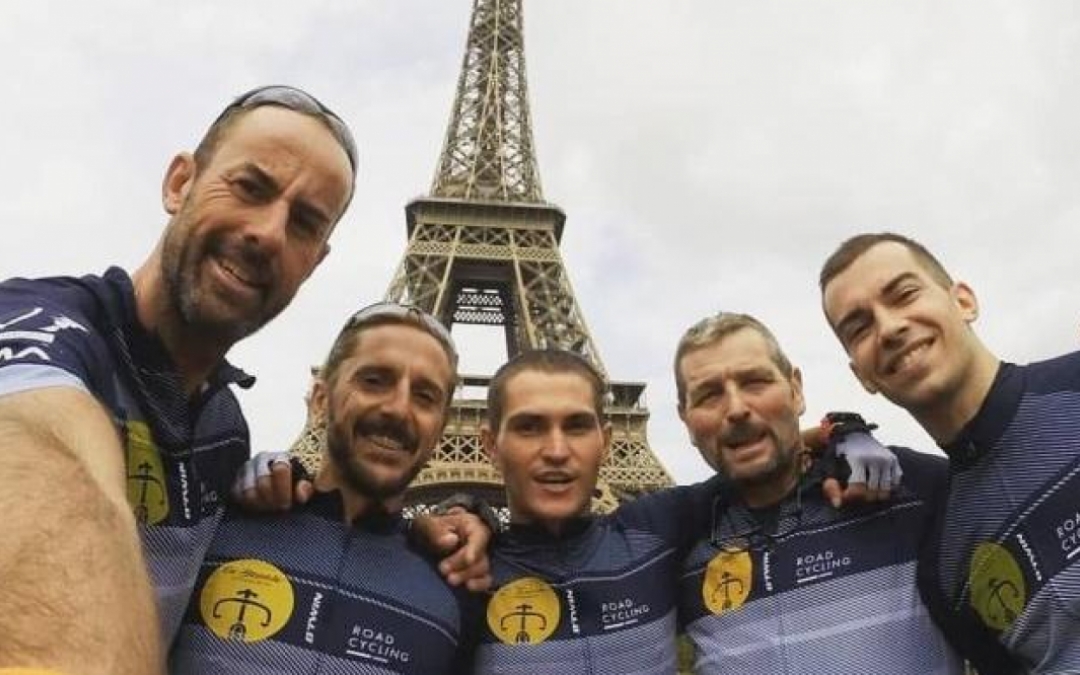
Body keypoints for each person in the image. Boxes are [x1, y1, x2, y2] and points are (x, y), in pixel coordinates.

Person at [0, 85, 359, 675]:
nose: (269, 232)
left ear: (315, 262)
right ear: (179, 183)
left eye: (304, 223)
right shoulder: (44, 329)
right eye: (250, 187)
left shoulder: (223, 427)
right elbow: (39, 444)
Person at [170, 302, 482, 674]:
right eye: (374, 381)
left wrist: (479, 516)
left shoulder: (457, 588)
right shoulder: (209, 523)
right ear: (320, 401)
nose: (399, 409)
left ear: (440, 430)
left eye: (425, 396)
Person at [820, 232, 1079, 673]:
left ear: (964, 301)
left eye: (904, 294)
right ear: (862, 376)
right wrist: (839, 434)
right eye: (859, 328)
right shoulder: (943, 564)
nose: (889, 328)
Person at [673, 312, 963, 674]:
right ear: (685, 420)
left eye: (755, 382)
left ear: (796, 389)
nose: (736, 409)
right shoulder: (674, 547)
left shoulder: (911, 487)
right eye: (709, 395)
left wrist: (842, 430)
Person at [470, 349, 715, 675]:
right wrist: (450, 516)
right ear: (490, 445)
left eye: (577, 426)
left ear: (606, 441)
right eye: (528, 427)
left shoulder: (659, 530)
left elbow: (766, 470)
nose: (556, 451)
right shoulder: (460, 574)